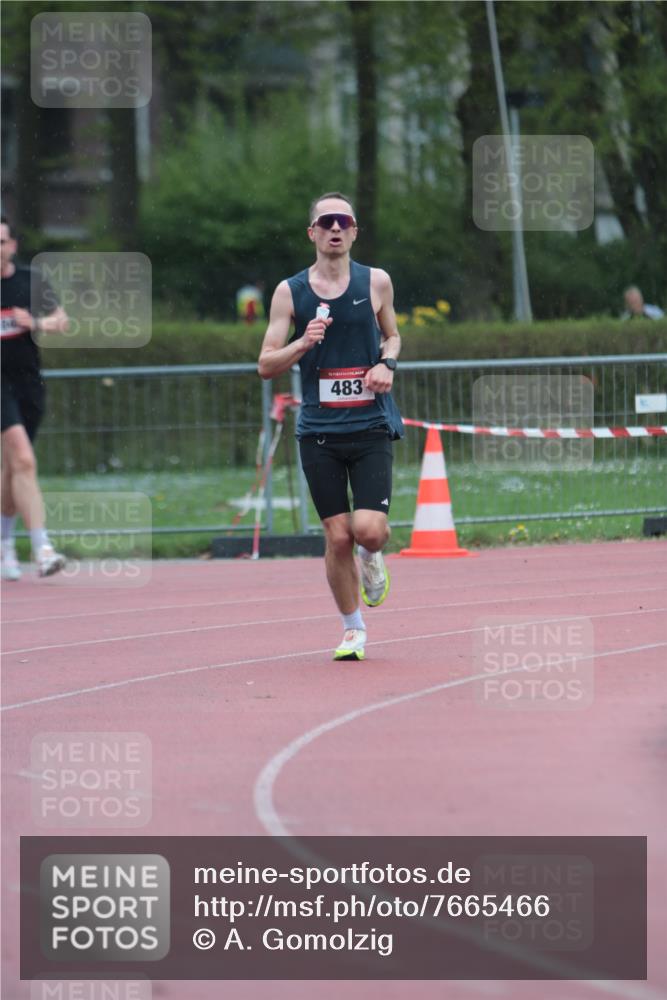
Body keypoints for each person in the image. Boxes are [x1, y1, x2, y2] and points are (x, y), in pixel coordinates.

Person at [258, 191, 403, 662]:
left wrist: (387, 364)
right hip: (319, 431)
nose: (335, 229)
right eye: (326, 222)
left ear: (355, 231)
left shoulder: (375, 281)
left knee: (369, 531)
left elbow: (393, 335)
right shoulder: (290, 292)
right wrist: (302, 344)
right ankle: (352, 628)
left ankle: (370, 556)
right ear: (313, 233)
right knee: (337, 534)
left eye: (344, 221)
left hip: (369, 425)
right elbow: (265, 363)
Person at [1, 216, 69, 580]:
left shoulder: (30, 280)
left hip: (28, 383)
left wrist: (35, 323)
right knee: (24, 460)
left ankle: (4, 543)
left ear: (12, 245)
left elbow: (62, 320)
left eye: (0, 242)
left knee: (13, 467)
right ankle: (43, 548)